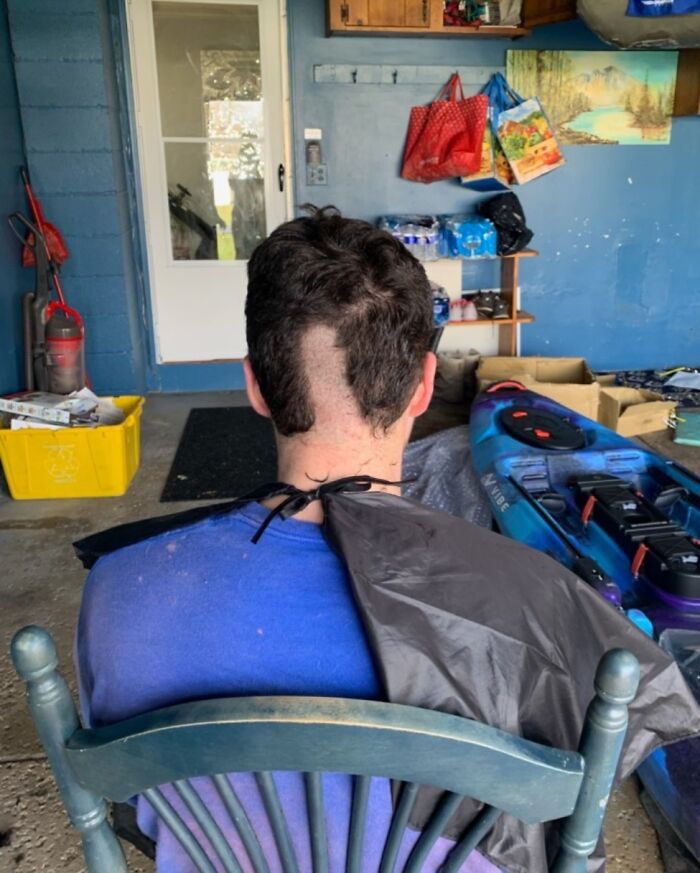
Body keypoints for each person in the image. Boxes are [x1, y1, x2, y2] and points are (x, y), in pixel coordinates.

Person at [75, 207, 498, 873]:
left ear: (256, 386)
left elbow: (126, 790)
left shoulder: (116, 586)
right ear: (424, 386)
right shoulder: (516, 607)